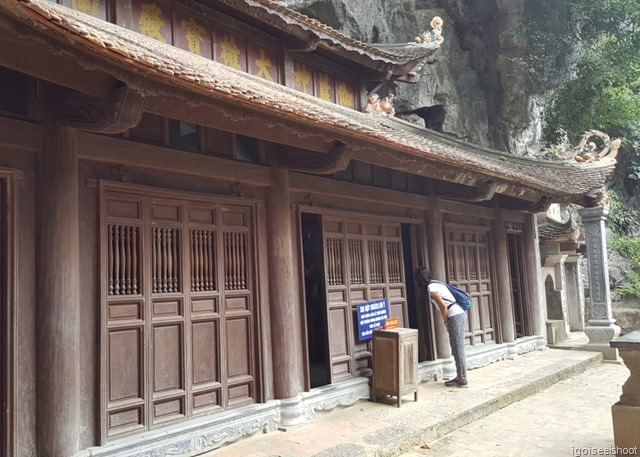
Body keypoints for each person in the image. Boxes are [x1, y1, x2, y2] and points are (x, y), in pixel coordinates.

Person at [415, 266, 468, 387]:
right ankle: (460, 376)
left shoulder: (431, 287)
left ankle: (462, 378)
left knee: (458, 348)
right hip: (458, 314)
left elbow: (443, 306)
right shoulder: (437, 284)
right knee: (456, 347)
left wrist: (446, 322)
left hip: (454, 316)